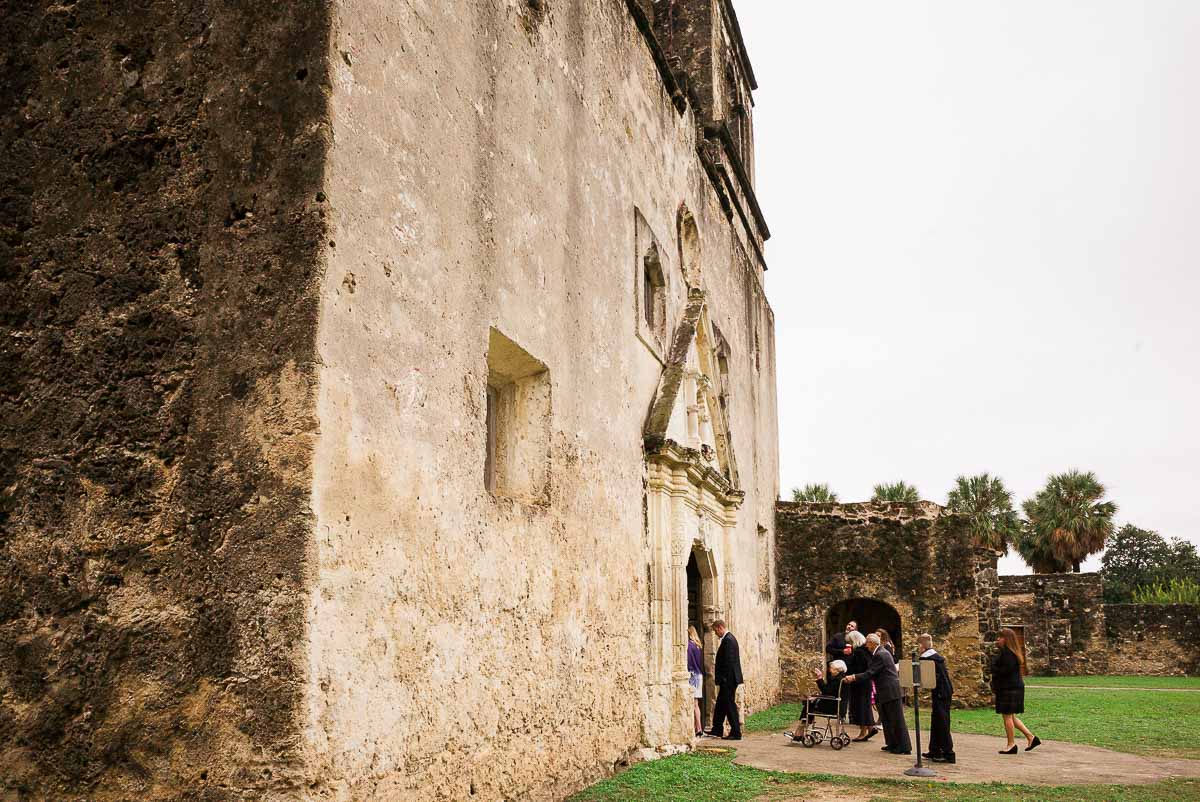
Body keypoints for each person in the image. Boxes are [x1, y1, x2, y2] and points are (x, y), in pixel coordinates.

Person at [844, 633, 910, 754]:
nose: (866, 646)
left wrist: (854, 677)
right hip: (885, 691)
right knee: (887, 719)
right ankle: (892, 743)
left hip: (890, 691)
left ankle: (903, 746)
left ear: (873, 643)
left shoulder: (881, 654)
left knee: (896, 719)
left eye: (868, 643)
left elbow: (870, 672)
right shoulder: (880, 653)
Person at [992, 628, 1040, 754]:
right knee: (1011, 716)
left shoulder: (1008, 654)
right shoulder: (1008, 653)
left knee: (1007, 716)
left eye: (1000, 637)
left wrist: (994, 668)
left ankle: (1011, 744)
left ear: (1007, 639)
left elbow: (1003, 671)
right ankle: (1031, 737)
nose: (998, 639)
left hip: (1009, 688)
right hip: (1012, 687)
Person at [786, 661, 848, 742]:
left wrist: (819, 678)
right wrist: (817, 696)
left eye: (832, 669)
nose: (830, 670)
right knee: (810, 702)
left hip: (832, 706)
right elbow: (830, 692)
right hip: (837, 705)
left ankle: (799, 732)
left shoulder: (838, 680)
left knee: (808, 704)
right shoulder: (842, 678)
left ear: (838, 670)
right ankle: (800, 730)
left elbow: (826, 691)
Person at [918, 633, 956, 764]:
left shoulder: (928, 658)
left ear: (921, 646)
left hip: (941, 692)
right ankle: (935, 749)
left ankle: (948, 753)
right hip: (942, 691)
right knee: (936, 720)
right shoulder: (935, 657)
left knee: (942, 722)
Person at [706, 619, 743, 740]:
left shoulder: (728, 640)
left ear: (720, 627)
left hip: (728, 680)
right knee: (721, 704)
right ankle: (717, 729)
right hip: (728, 679)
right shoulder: (728, 639)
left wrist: (724, 679)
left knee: (729, 705)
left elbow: (729, 662)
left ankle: (736, 732)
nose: (716, 634)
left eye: (716, 631)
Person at [844, 629, 878, 741]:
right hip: (865, 682)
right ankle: (870, 728)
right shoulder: (866, 651)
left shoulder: (859, 652)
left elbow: (857, 668)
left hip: (859, 682)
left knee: (861, 707)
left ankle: (864, 731)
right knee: (865, 706)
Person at [687, 625, 705, 738]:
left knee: (693, 704)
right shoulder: (698, 646)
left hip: (693, 675)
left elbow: (689, 662)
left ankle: (698, 728)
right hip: (699, 675)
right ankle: (696, 727)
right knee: (696, 703)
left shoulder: (689, 646)